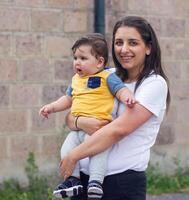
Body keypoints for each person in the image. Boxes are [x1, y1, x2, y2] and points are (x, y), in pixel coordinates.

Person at [60, 16, 171, 200]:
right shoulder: (106, 76)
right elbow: (70, 116)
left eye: (133, 43)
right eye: (119, 42)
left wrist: (73, 156)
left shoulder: (154, 84)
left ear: (148, 48)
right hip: (84, 181)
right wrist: (81, 121)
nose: (124, 49)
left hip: (121, 184)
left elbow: (118, 130)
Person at [39, 33, 136, 199]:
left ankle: (95, 182)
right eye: (75, 57)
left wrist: (127, 97)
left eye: (83, 58)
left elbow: (121, 90)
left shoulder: (107, 77)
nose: (77, 62)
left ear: (99, 61)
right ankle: (73, 180)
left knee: (98, 152)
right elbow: (67, 99)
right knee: (66, 150)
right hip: (77, 131)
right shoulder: (76, 80)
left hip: (97, 130)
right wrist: (52, 107)